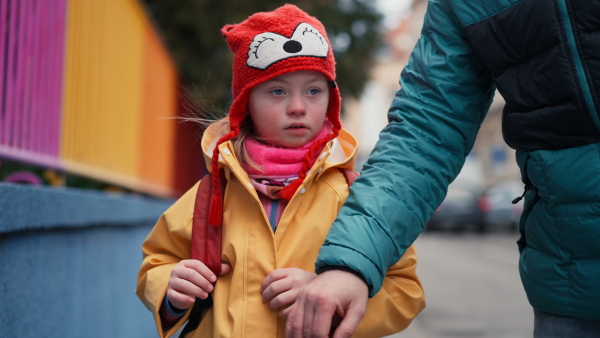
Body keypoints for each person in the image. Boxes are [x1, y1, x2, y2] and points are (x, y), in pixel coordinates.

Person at [284, 0, 600, 337]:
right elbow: (427, 127)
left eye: (314, 91)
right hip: (572, 286)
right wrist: (351, 261)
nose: (297, 108)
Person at [136, 5, 425, 338]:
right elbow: (157, 261)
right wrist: (171, 289)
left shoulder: (355, 197)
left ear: (331, 100)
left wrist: (335, 301)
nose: (298, 106)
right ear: (246, 103)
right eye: (278, 91)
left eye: (313, 90)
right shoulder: (213, 191)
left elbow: (405, 290)